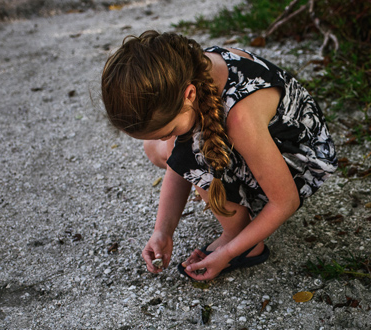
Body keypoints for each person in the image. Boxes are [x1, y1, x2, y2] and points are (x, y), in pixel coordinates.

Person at [101, 31, 336, 281]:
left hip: (299, 157)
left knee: (196, 153)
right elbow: (176, 161)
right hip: (258, 142)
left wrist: (228, 252)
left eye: (167, 131)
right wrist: (163, 231)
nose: (164, 138)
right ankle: (238, 222)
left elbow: (285, 202)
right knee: (161, 148)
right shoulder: (184, 70)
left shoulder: (240, 119)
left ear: (189, 95)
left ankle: (242, 239)